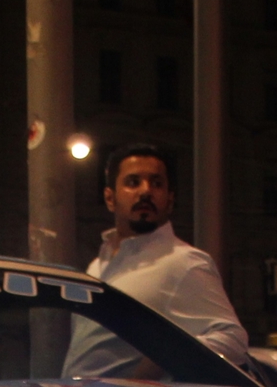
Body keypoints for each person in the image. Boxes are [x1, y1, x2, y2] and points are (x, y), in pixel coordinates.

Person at [64, 145, 249, 375]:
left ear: (170, 200)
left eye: (157, 183)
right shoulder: (98, 264)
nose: (146, 191)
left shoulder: (184, 262)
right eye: (133, 182)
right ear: (110, 198)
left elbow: (233, 340)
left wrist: (160, 364)